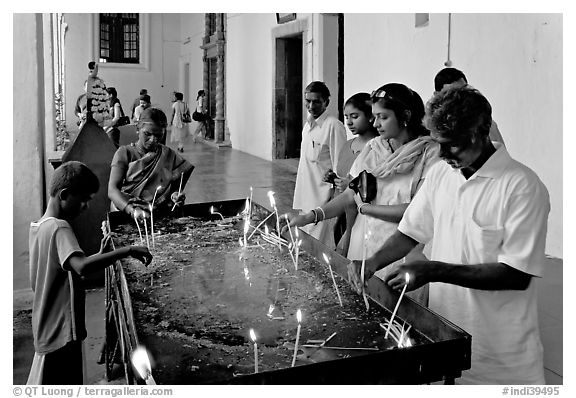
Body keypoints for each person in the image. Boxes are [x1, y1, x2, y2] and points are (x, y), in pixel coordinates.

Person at [348, 84, 550, 384]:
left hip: (499, 356)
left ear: (477, 134)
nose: (441, 154)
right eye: (437, 142)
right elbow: (410, 231)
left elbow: (516, 275)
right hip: (442, 335)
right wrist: (372, 262)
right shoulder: (444, 173)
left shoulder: (521, 186)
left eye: (450, 144)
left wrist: (433, 270)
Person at [288, 83, 439, 305]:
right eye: (375, 117)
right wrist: (310, 216)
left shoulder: (429, 154)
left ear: (405, 115)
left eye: (383, 117)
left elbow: (416, 210)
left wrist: (366, 209)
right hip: (366, 244)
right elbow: (351, 194)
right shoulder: (374, 149)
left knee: (399, 316)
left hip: (404, 250)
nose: (375, 123)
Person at [27, 161, 152, 385]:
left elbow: (67, 269)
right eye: (83, 199)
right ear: (65, 195)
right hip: (63, 330)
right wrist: (127, 250)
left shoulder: (39, 227)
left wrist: (101, 254)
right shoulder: (59, 227)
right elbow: (82, 266)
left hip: (45, 324)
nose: (85, 206)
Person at [108, 107, 195, 220]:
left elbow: (176, 186)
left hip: (157, 214)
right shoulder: (125, 153)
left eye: (159, 135)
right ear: (137, 128)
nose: (153, 139)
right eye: (147, 134)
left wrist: (175, 196)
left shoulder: (168, 154)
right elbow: (112, 190)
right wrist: (132, 210)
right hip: (126, 212)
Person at [291, 81, 347, 248]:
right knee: (306, 244)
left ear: (326, 102)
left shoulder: (333, 126)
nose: (311, 105)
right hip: (305, 195)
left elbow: (340, 167)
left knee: (321, 246)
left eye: (316, 101)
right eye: (307, 101)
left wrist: (335, 202)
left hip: (322, 199)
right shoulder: (307, 126)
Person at [325, 93, 378, 255]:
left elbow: (374, 184)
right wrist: (333, 178)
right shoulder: (348, 145)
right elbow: (343, 175)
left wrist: (353, 185)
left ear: (370, 116)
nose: (348, 122)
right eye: (346, 116)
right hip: (341, 210)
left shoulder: (376, 148)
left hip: (361, 214)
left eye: (355, 116)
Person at [434, 67, 505, 145]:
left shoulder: (485, 124)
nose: (460, 98)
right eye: (452, 94)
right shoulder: (430, 131)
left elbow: (500, 154)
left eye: (464, 91)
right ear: (437, 95)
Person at [85, 61, 109, 126]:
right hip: (92, 101)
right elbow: (94, 73)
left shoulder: (97, 79)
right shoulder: (90, 77)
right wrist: (96, 67)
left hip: (98, 101)